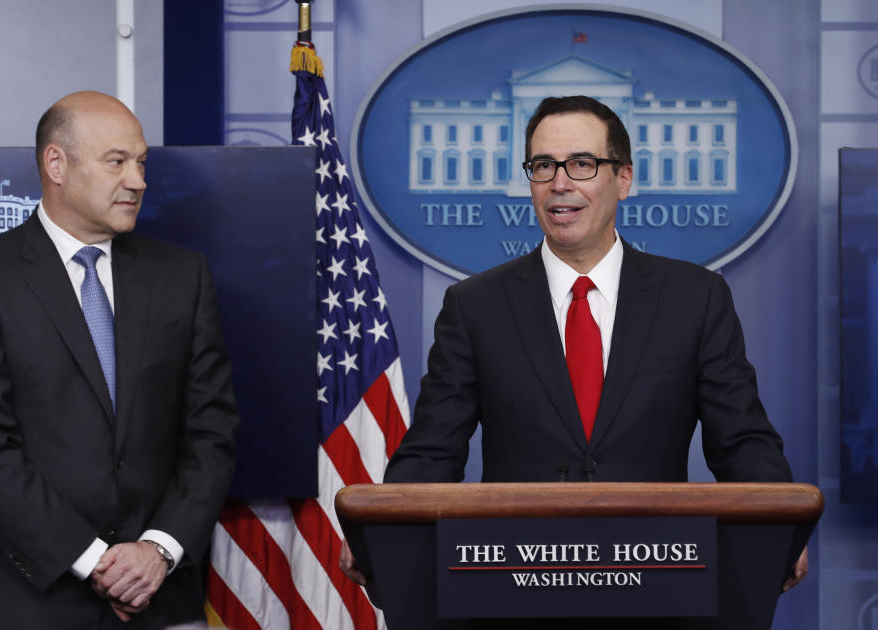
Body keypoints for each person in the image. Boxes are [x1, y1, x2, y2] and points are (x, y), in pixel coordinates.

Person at [340, 95, 807, 591]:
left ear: (623, 179)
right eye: (543, 166)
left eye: (582, 164)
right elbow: (433, 450)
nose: (560, 183)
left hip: (659, 579)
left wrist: (781, 526)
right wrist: (383, 528)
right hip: (514, 581)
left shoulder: (696, 298)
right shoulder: (475, 305)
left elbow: (741, 441)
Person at [0, 91, 241, 629]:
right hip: (26, 601)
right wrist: (97, 562)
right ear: (57, 163)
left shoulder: (181, 276)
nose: (138, 180)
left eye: (142, 163)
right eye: (117, 161)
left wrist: (157, 552)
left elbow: (212, 432)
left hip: (159, 599)